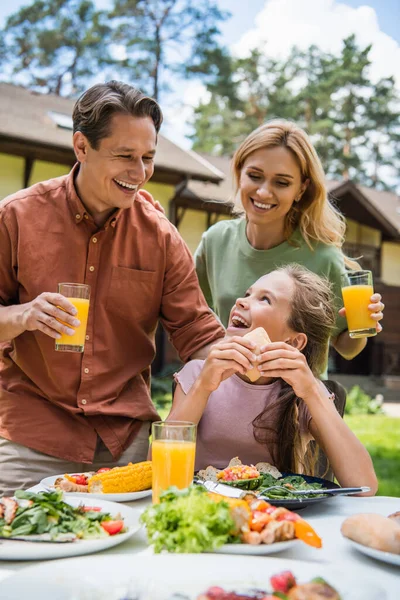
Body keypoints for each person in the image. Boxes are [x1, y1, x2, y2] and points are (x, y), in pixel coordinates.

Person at [0, 80, 225, 496]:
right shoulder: (16, 218)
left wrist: (248, 357)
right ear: (82, 147)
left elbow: (198, 335)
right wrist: (22, 314)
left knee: (140, 553)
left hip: (125, 440)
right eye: (125, 156)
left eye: (148, 158)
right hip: (32, 434)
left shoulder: (160, 236)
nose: (139, 174)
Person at [194, 119, 384, 378]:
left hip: (297, 405)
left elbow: (347, 347)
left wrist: (363, 326)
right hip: (226, 394)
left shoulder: (322, 256)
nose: (263, 192)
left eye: (281, 183)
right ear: (239, 173)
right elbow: (192, 321)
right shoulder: (215, 242)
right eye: (255, 176)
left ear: (301, 188)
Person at [168, 265, 378, 494]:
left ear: (294, 342)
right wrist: (203, 387)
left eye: (265, 299)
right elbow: (159, 469)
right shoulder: (197, 374)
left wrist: (312, 391)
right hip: (203, 511)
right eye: (247, 294)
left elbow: (363, 488)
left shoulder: (303, 391)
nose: (241, 301)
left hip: (273, 517)